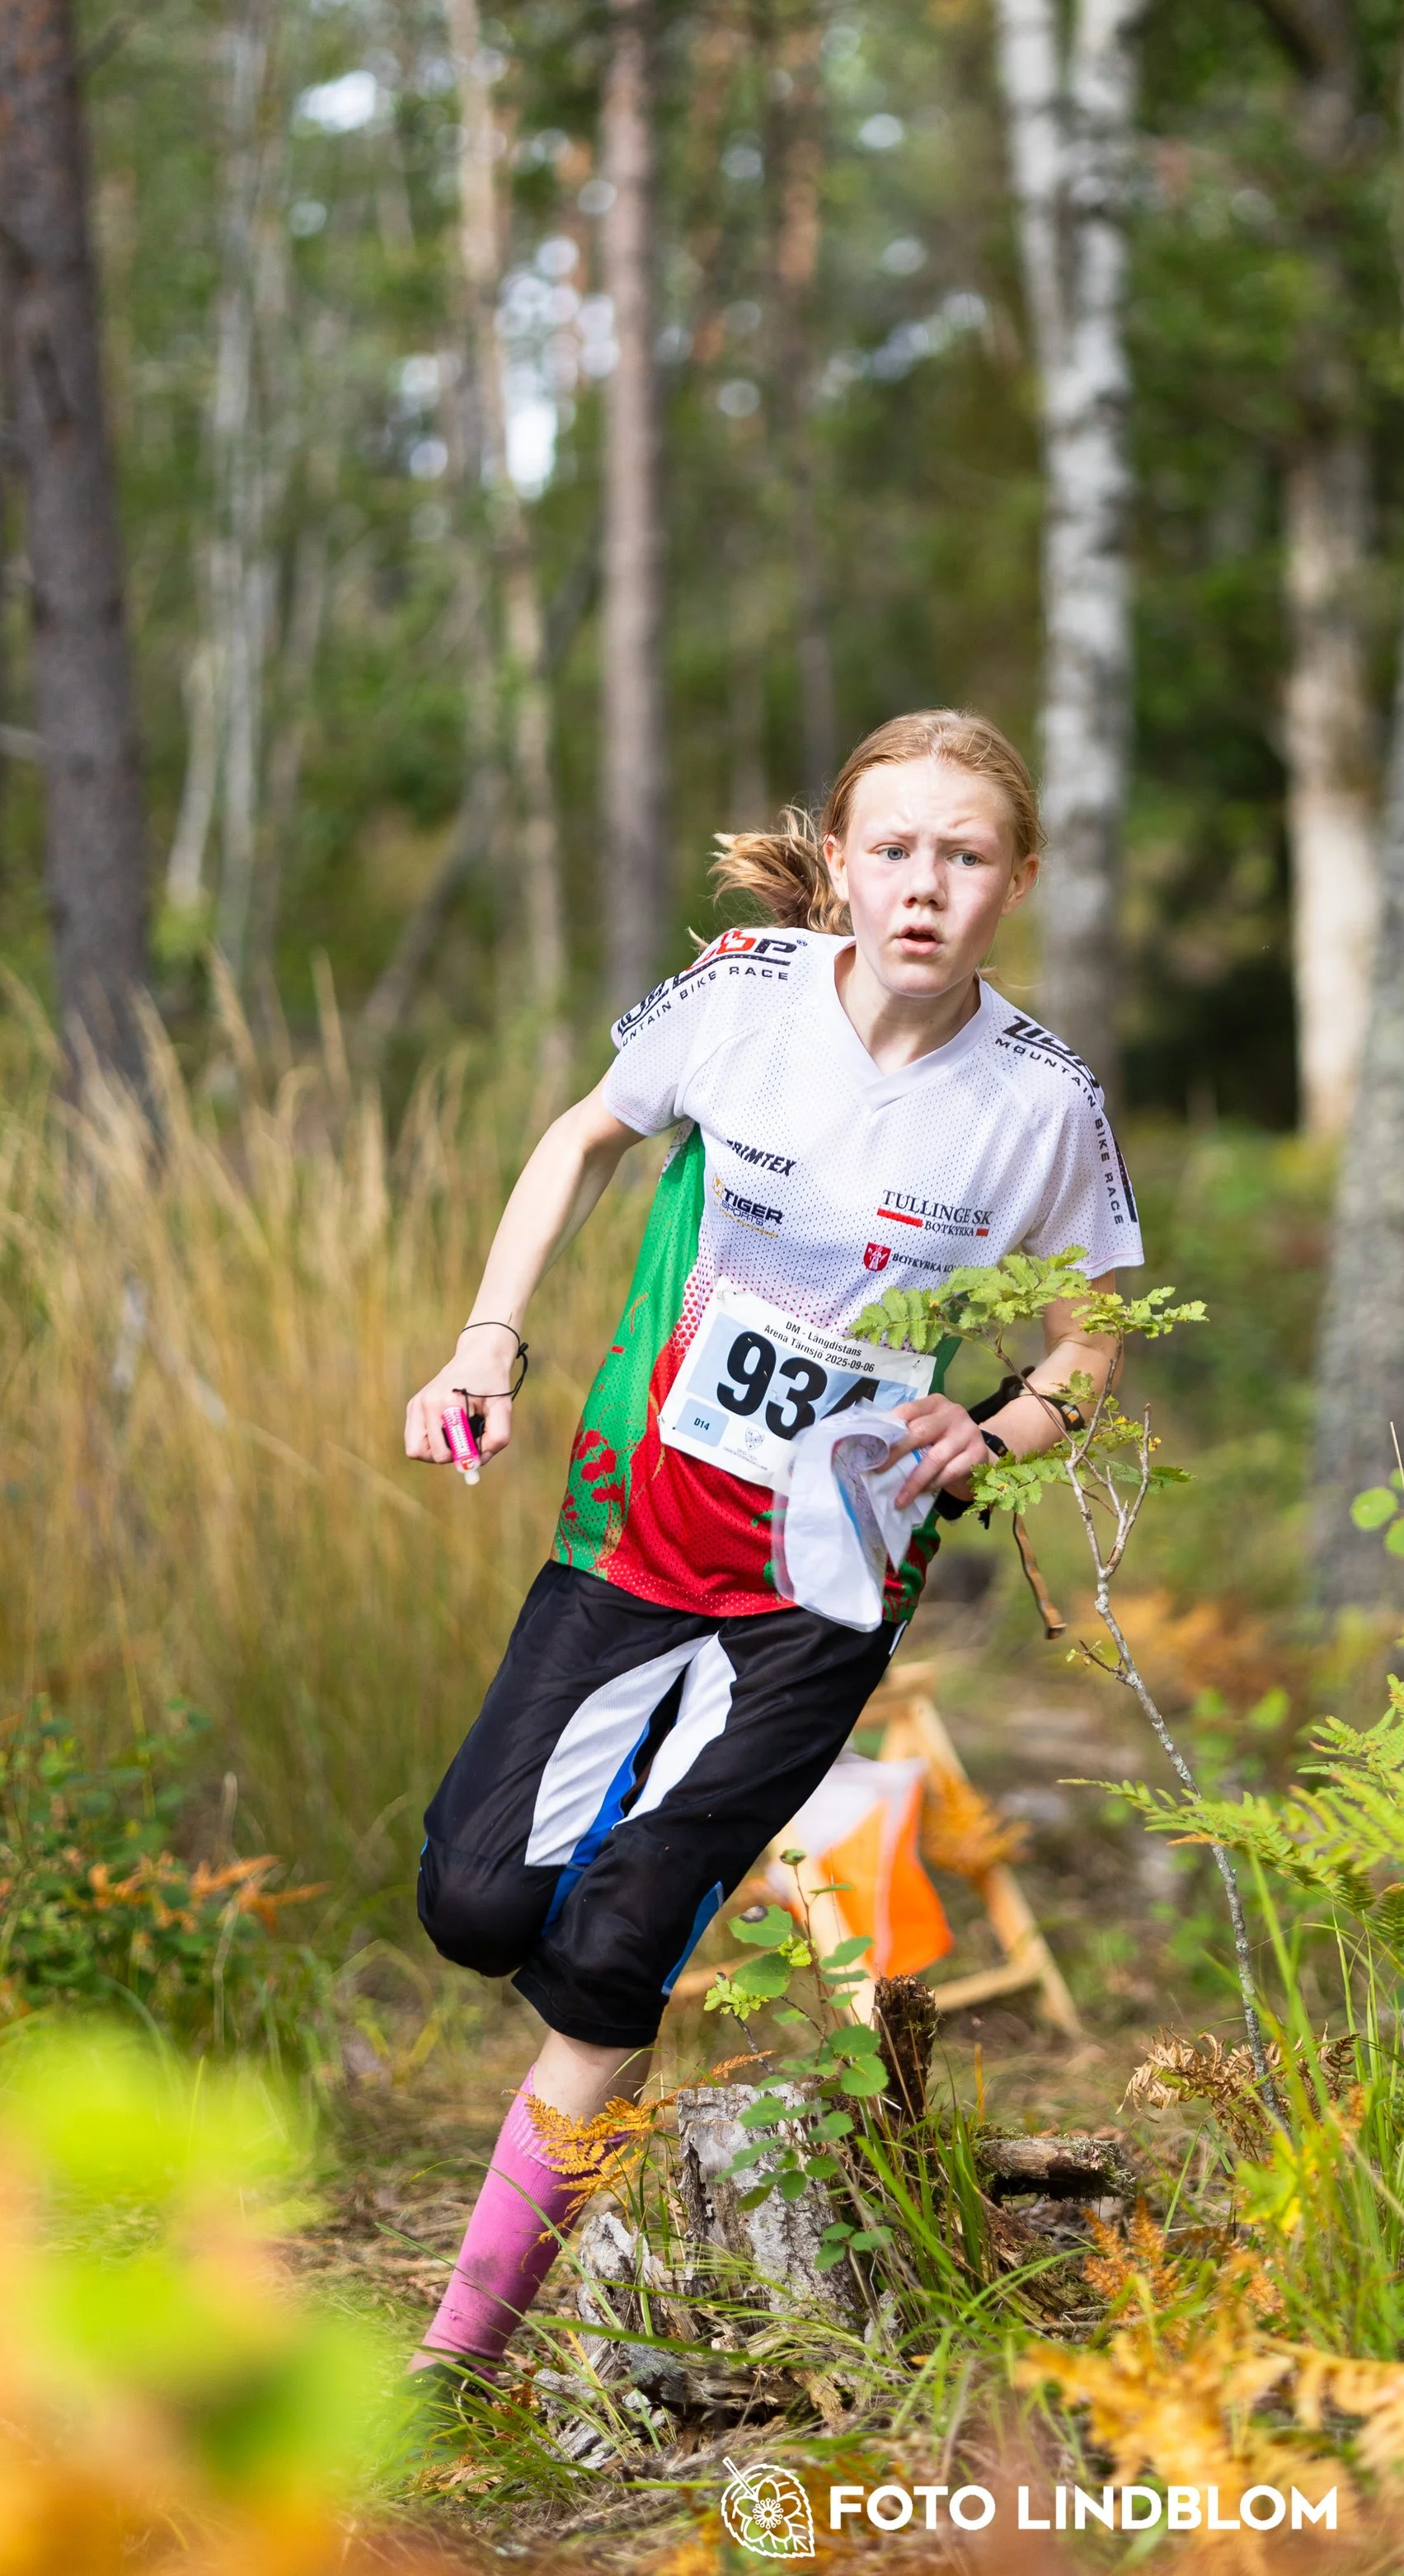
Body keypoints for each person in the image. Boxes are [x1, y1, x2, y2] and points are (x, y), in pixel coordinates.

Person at [401, 707, 1142, 2376]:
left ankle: (459, 2356)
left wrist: (997, 1429)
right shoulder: (740, 993)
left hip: (823, 1585)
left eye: (965, 856)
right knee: (472, 1899)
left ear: (1013, 881)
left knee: (612, 1952)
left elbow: (1095, 1332)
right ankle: (612, 2078)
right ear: (842, 862)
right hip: (630, 1531)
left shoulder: (1039, 1100)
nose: (924, 886)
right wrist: (481, 1342)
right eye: (895, 849)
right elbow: (584, 1132)